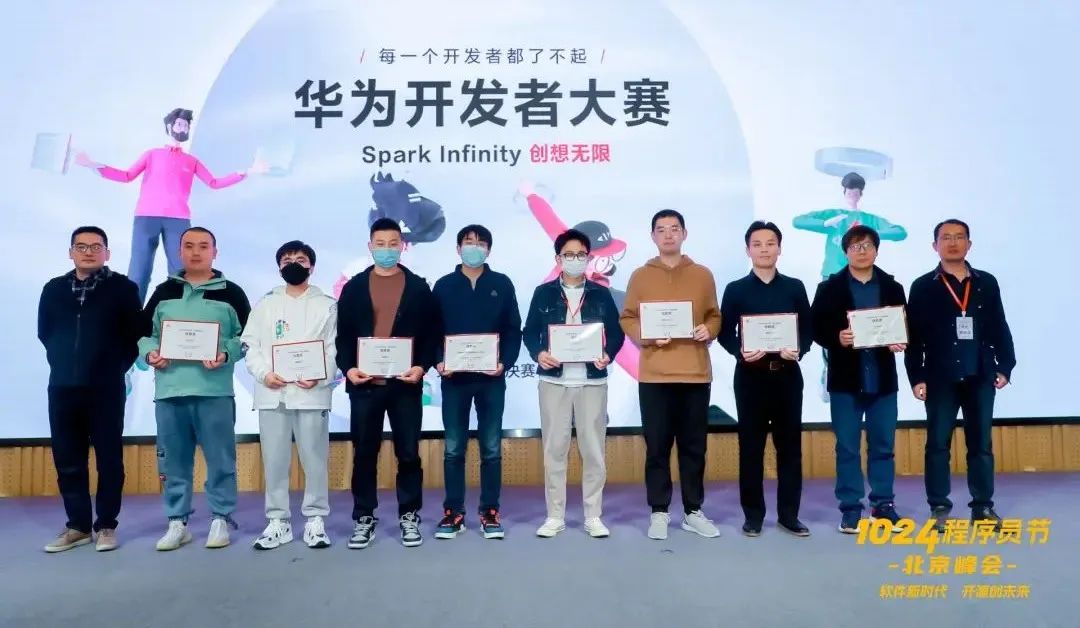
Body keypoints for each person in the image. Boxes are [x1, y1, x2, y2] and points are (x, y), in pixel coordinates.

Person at [75, 108, 267, 302]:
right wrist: (92, 165)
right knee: (139, 268)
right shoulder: (152, 154)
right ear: (170, 126)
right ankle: (131, 311)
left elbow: (214, 182)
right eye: (179, 124)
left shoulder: (191, 161)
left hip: (178, 219)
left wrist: (248, 171)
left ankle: (178, 310)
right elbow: (126, 175)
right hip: (146, 216)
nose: (183, 128)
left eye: (186, 125)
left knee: (180, 269)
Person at [138, 227, 251, 550]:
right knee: (173, 461)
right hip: (170, 390)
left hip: (214, 391)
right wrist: (150, 353)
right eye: (189, 246)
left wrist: (226, 353)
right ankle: (177, 522)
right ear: (179, 252)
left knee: (221, 459)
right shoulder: (164, 292)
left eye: (203, 246)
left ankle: (220, 518)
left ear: (215, 252)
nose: (196, 252)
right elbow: (145, 334)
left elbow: (247, 337)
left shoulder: (232, 293)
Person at [905, 219, 1015, 531]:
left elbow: (999, 325)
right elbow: (914, 336)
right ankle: (939, 507)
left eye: (959, 237)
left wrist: (1006, 365)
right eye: (946, 238)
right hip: (939, 376)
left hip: (980, 373)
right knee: (938, 444)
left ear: (969, 244)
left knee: (980, 444)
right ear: (935, 246)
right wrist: (916, 376)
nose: (953, 242)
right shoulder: (923, 286)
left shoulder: (986, 282)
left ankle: (982, 507)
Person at [37, 226, 142, 552]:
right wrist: (64, 362)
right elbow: (45, 332)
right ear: (71, 252)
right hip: (63, 386)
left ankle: (106, 525)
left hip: (105, 388)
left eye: (96, 246)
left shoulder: (123, 288)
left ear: (107, 253)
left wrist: (112, 367)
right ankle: (78, 526)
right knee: (68, 459)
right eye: (81, 246)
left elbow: (134, 335)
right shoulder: (53, 289)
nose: (88, 252)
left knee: (109, 459)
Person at [336, 217, 438, 549]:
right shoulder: (354, 287)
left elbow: (431, 334)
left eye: (393, 244)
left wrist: (421, 366)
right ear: (370, 246)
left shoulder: (418, 287)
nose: (387, 250)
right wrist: (349, 368)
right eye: (380, 244)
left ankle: (409, 514)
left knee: (408, 453)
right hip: (364, 385)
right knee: (365, 453)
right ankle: (363, 516)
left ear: (402, 246)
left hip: (405, 385)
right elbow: (343, 337)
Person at [619, 209, 722, 540]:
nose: (668, 234)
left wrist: (709, 330)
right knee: (657, 448)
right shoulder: (640, 276)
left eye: (674, 228)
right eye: (661, 229)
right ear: (653, 236)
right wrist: (646, 336)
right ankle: (659, 511)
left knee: (694, 447)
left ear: (684, 234)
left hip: (694, 374)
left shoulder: (702, 275)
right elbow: (628, 318)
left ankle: (693, 511)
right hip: (655, 376)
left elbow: (715, 316)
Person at [523, 228, 625, 538]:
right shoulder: (543, 293)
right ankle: (555, 515)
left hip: (592, 381)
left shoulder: (600, 293)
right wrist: (539, 353)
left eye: (581, 254)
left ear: (589, 258)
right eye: (569, 255)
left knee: (593, 451)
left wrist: (608, 354)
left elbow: (616, 333)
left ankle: (593, 515)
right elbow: (529, 331)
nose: (575, 259)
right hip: (553, 381)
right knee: (554, 450)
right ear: (558, 259)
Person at [810, 225, 908, 534]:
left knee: (883, 445)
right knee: (847, 448)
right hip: (845, 381)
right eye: (855, 246)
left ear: (877, 250)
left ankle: (883, 505)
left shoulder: (893, 287)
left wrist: (900, 340)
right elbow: (815, 328)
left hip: (882, 379)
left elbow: (905, 325)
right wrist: (836, 337)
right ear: (846, 252)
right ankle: (851, 508)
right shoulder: (829, 288)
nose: (861, 251)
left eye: (867, 245)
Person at [718, 221, 813, 537]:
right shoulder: (735, 289)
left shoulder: (794, 287)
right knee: (751, 448)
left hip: (787, 377)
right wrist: (741, 351)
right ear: (748, 250)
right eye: (757, 244)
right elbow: (724, 333)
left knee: (790, 449)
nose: (764, 249)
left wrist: (799, 349)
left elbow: (807, 329)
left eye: (770, 243)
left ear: (779, 248)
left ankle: (789, 515)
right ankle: (753, 516)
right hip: (750, 378)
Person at [241, 241, 337, 550]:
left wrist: (320, 374)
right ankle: (278, 522)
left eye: (300, 259)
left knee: (315, 459)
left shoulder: (327, 305)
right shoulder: (266, 303)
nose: (293, 264)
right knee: (274, 460)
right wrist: (264, 374)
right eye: (286, 260)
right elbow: (250, 345)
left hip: (311, 393)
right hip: (273, 392)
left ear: (312, 266)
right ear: (279, 267)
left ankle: (315, 519)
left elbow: (334, 348)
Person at [431, 225, 522, 540]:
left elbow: (513, 329)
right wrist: (438, 360)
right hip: (454, 379)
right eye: (468, 242)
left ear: (488, 250)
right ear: (458, 249)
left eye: (480, 243)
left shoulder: (501, 283)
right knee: (453, 449)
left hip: (490, 380)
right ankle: (453, 513)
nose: (474, 247)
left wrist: (504, 362)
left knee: (491, 448)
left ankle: (490, 512)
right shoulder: (444, 285)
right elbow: (432, 330)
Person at [793, 172, 907, 401]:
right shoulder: (834, 215)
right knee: (832, 328)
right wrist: (825, 224)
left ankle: (870, 377)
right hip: (833, 278)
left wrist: (871, 233)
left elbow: (900, 232)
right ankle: (829, 370)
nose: (853, 196)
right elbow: (798, 221)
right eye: (849, 192)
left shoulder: (869, 219)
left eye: (856, 192)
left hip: (866, 282)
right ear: (844, 192)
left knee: (869, 327)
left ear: (861, 194)